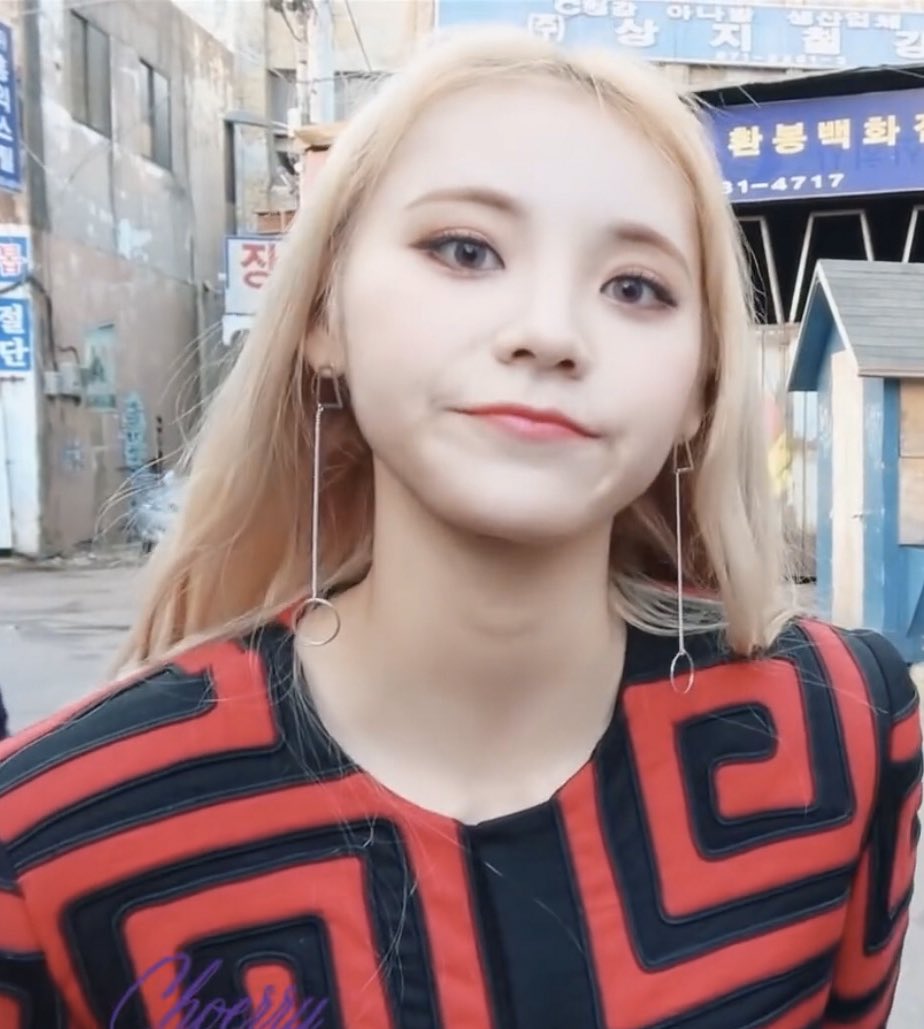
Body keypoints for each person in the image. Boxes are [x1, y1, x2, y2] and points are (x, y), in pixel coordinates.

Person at [0, 28, 920, 1029]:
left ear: (702, 386)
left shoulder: (847, 729)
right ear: (323, 315)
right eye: (464, 250)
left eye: (636, 287)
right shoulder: (47, 843)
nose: (550, 333)